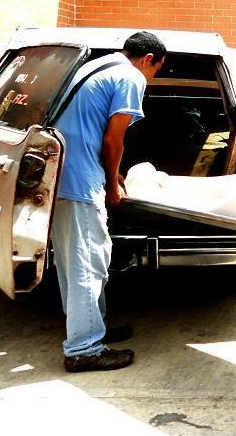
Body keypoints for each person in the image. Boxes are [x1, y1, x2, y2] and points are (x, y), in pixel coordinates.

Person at [51, 31, 166, 373]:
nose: (151, 77)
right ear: (148, 59)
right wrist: (113, 186)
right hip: (79, 180)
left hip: (56, 176)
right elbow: (113, 139)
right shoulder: (130, 77)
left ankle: (90, 328)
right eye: (156, 70)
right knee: (89, 262)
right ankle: (83, 348)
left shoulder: (94, 67)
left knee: (73, 261)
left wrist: (113, 173)